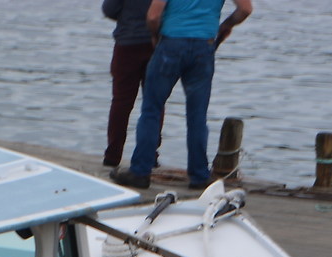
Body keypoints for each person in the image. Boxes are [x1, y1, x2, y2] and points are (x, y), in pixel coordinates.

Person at [119, 0, 253, 191]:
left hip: (171, 43)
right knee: (197, 116)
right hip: (203, 47)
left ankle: (140, 172)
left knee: (152, 109)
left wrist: (155, 35)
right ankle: (199, 175)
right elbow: (245, 9)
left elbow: (153, 16)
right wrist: (226, 25)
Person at [100, 0, 155, 170]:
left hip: (127, 43)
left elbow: (109, 9)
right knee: (154, 102)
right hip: (156, 43)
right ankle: (150, 154)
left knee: (121, 102)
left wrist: (128, 17)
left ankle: (113, 155)